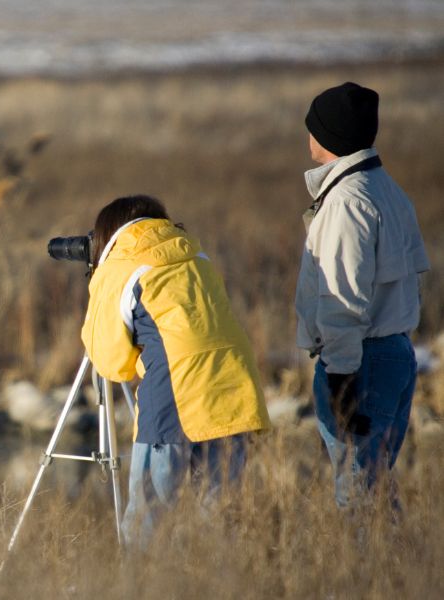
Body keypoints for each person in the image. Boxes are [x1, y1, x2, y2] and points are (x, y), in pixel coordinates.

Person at [80, 195, 270, 551]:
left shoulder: (121, 266)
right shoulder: (195, 255)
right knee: (219, 514)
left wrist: (99, 288)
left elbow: (109, 361)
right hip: (234, 387)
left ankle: (138, 585)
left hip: (173, 394)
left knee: (148, 516)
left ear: (107, 235)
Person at [296, 82, 429, 510]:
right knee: (372, 488)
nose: (308, 137)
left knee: (358, 497)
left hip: (362, 360)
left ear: (330, 136)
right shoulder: (385, 190)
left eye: (313, 127)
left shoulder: (347, 203)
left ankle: (370, 574)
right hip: (393, 351)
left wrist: (341, 378)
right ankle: (393, 573)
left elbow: (341, 296)